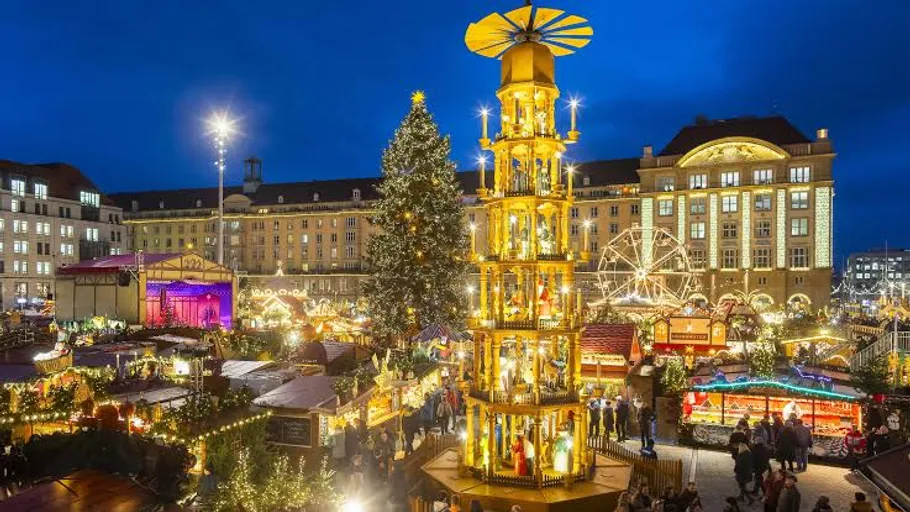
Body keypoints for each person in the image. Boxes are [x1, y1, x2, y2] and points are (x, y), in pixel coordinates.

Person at [750, 430, 771, 497]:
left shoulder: (754, 449)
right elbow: (769, 456)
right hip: (765, 466)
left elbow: (753, 459)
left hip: (758, 466)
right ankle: (756, 491)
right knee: (760, 479)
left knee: (760, 480)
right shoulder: (766, 449)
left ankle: (765, 493)